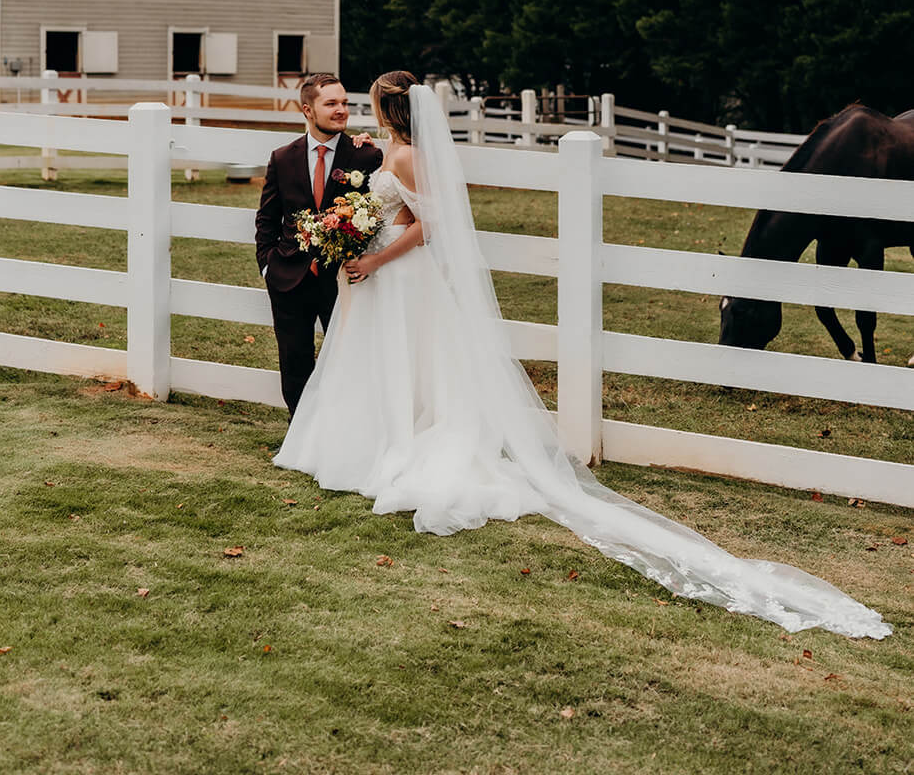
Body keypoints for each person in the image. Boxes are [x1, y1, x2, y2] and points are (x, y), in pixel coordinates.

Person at [274, 71, 890, 638]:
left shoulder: (405, 155)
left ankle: (398, 443)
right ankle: (381, 433)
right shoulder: (385, 151)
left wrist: (373, 251)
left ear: (387, 109)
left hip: (396, 273)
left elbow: (425, 222)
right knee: (389, 363)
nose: (351, 109)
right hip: (379, 276)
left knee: (410, 358)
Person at [255, 72, 383, 415]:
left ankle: (341, 432)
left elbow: (380, 214)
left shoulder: (365, 157)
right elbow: (267, 217)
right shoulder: (282, 158)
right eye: (332, 104)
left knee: (347, 359)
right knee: (294, 363)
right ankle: (300, 436)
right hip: (289, 276)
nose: (341, 110)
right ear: (308, 110)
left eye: (344, 103)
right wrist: (268, 265)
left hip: (341, 280)